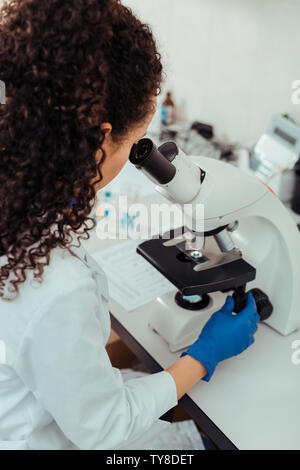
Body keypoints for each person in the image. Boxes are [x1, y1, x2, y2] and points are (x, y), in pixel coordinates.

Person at [0, 0, 259, 450]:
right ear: (99, 139)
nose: (141, 151)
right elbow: (106, 429)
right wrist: (203, 356)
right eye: (137, 140)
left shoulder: (19, 194)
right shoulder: (54, 285)